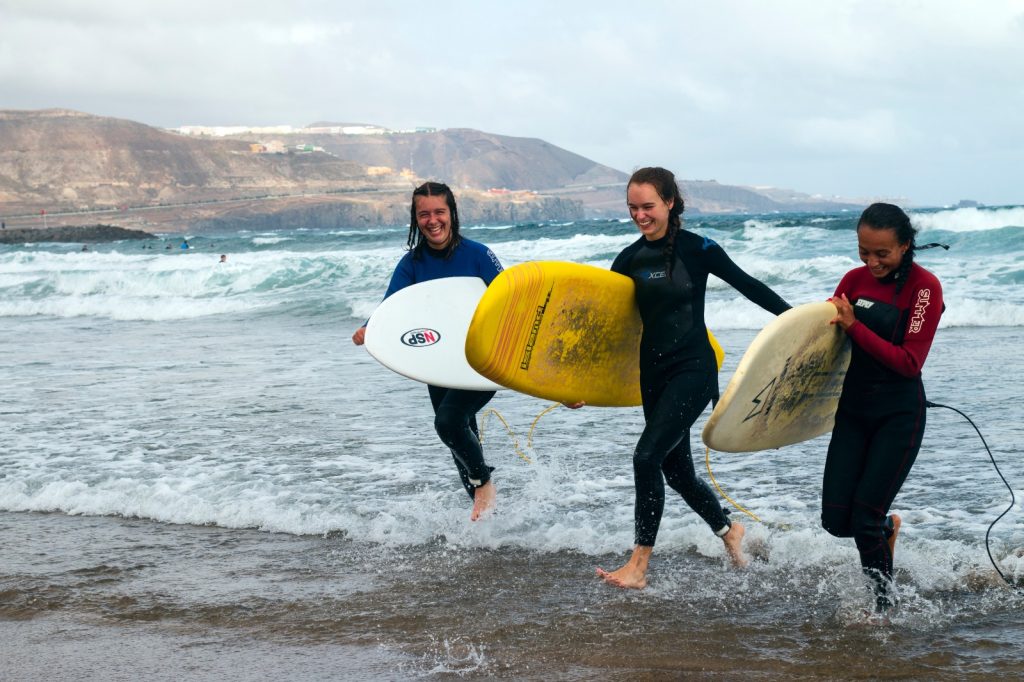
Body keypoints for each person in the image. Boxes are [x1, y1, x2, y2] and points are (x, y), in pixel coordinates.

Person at [593, 167, 791, 588]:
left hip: (694, 370)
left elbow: (748, 285)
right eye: (632, 207)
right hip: (654, 375)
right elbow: (610, 331)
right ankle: (728, 531)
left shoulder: (697, 248)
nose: (640, 215)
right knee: (676, 470)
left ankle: (639, 566)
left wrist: (798, 323)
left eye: (648, 206)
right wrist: (580, 386)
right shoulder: (627, 260)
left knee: (646, 457)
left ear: (669, 203)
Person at [352, 181, 504, 521]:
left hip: (481, 359)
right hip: (439, 361)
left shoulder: (478, 254)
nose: (432, 220)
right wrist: (368, 327)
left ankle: (484, 485)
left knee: (449, 422)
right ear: (415, 218)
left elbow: (510, 303)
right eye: (424, 214)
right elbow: (391, 306)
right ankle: (488, 527)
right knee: (460, 437)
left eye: (439, 212)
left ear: (452, 214)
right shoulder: (412, 264)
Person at [823, 202, 944, 616]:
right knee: (836, 521)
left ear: (905, 245)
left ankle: (883, 610)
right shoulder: (853, 280)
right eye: (864, 251)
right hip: (853, 411)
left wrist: (854, 324)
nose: (871, 262)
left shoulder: (924, 288)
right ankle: (887, 529)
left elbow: (909, 363)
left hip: (898, 414)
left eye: (882, 253)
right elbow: (823, 344)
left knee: (863, 521)